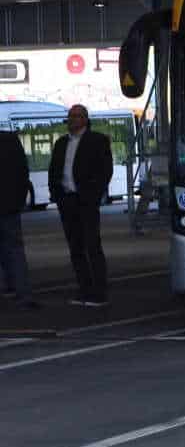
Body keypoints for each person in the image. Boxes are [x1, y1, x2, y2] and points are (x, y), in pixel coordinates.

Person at [48, 105, 114, 307]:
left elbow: (105, 171)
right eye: (70, 116)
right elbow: (54, 171)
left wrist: (94, 194)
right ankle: (84, 290)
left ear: (85, 119)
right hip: (67, 201)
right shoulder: (61, 143)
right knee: (75, 248)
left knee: (92, 246)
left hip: (86, 201)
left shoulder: (97, 141)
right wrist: (57, 195)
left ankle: (99, 293)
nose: (72, 119)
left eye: (77, 116)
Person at [0, 128, 39, 309]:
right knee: (15, 250)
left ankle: (9, 286)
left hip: (9, 204)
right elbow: (23, 172)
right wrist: (19, 200)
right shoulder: (11, 140)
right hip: (10, 206)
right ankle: (23, 293)